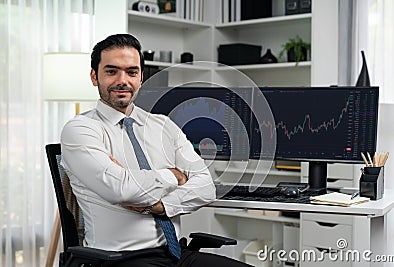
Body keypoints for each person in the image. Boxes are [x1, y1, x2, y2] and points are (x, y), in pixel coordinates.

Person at [61, 33, 252, 266]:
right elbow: (122, 190)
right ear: (94, 76)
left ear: (141, 77)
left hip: (176, 253)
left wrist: (162, 206)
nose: (123, 80)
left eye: (131, 72)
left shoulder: (163, 125)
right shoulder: (81, 130)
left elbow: (205, 186)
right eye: (111, 71)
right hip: (119, 259)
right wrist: (174, 175)